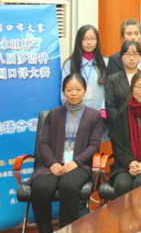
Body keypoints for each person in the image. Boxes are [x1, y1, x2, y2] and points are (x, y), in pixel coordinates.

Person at [30, 74, 103, 233]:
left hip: (79, 165)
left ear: (85, 91)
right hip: (53, 164)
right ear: (63, 91)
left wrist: (76, 162)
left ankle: (66, 229)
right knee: (40, 187)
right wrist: (52, 163)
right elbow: (43, 142)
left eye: (78, 89)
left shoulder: (94, 115)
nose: (74, 93)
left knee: (68, 186)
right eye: (69, 90)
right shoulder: (53, 114)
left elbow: (94, 145)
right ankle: (45, 229)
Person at [61, 25, 108, 136]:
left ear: (97, 41)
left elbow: (110, 91)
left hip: (100, 114)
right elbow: (64, 91)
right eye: (85, 39)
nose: (89, 42)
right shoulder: (69, 64)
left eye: (92, 39)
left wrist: (103, 108)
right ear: (79, 41)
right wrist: (72, 110)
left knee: (96, 142)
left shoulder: (106, 62)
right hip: (76, 115)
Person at [105, 41, 141, 128]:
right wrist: (122, 123)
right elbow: (110, 107)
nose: (131, 58)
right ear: (121, 57)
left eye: (135, 54)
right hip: (120, 126)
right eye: (127, 54)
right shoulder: (112, 79)